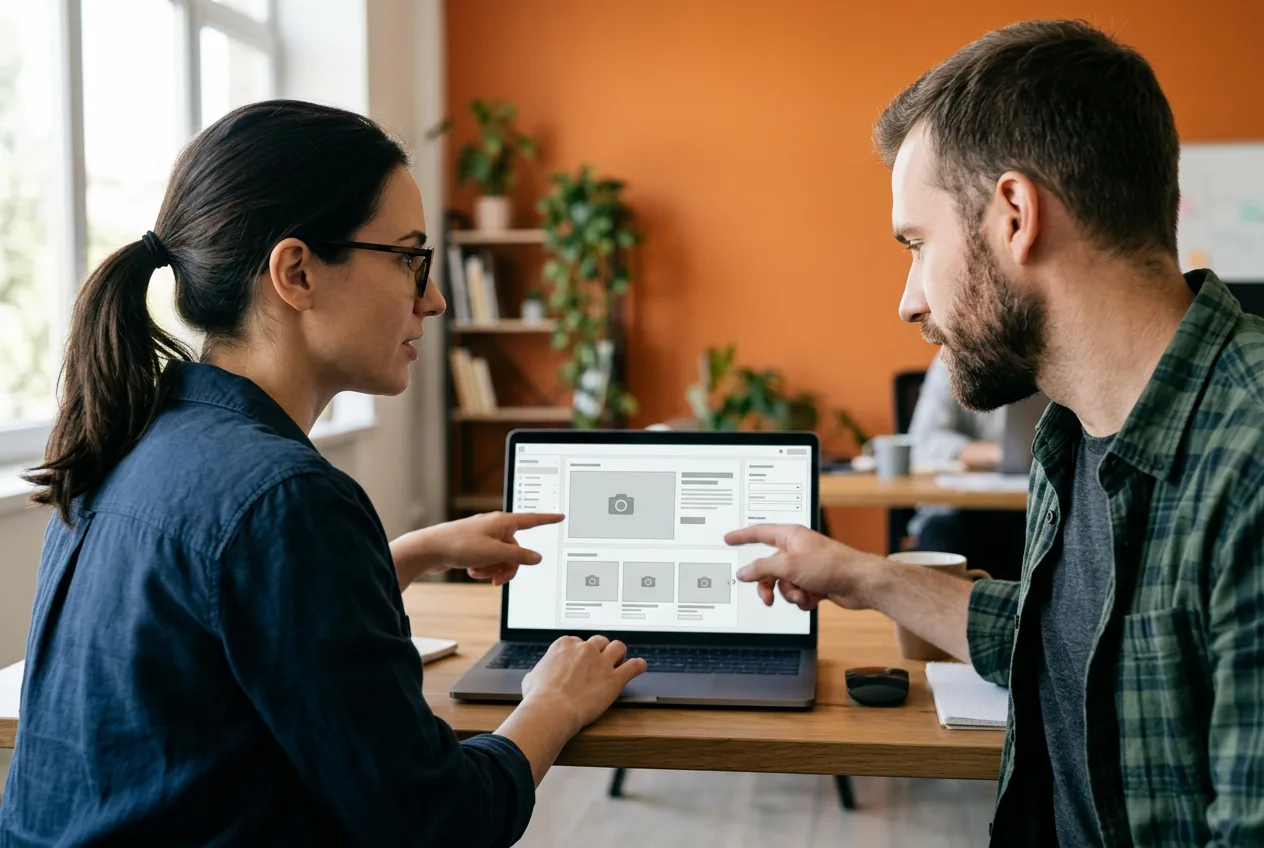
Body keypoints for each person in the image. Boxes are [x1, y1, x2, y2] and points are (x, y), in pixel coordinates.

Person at [0, 101, 645, 847]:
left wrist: (414, 552)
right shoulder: (285, 499)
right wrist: (553, 703)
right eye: (409, 259)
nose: (433, 298)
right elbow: (442, 823)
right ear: (297, 272)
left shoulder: (134, 438)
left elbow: (235, 623)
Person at [728, 20, 1264, 847]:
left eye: (917, 244)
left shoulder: (1249, 460)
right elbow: (1066, 638)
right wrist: (861, 574)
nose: (909, 300)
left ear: (1015, 215)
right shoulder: (1072, 433)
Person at [905, 351, 1026, 581]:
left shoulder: (1045, 358)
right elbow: (924, 441)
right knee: (943, 541)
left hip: (1028, 508)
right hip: (957, 510)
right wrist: (1002, 453)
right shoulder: (952, 353)